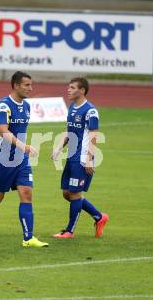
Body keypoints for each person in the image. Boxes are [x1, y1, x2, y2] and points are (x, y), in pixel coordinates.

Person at [0, 71, 48, 248]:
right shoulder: (4, 105)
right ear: (16, 85)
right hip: (2, 159)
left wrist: (22, 151)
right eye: (27, 85)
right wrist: (25, 147)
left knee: (26, 193)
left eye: (31, 84)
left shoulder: (27, 106)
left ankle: (28, 238)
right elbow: (3, 131)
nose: (31, 88)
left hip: (20, 159)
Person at [51, 77, 109, 238]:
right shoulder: (71, 108)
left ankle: (69, 231)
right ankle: (99, 217)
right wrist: (58, 148)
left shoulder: (91, 111)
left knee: (75, 194)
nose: (68, 90)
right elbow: (69, 131)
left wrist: (89, 159)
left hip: (83, 157)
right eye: (68, 87)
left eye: (72, 87)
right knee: (67, 193)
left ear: (82, 90)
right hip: (71, 156)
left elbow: (93, 135)